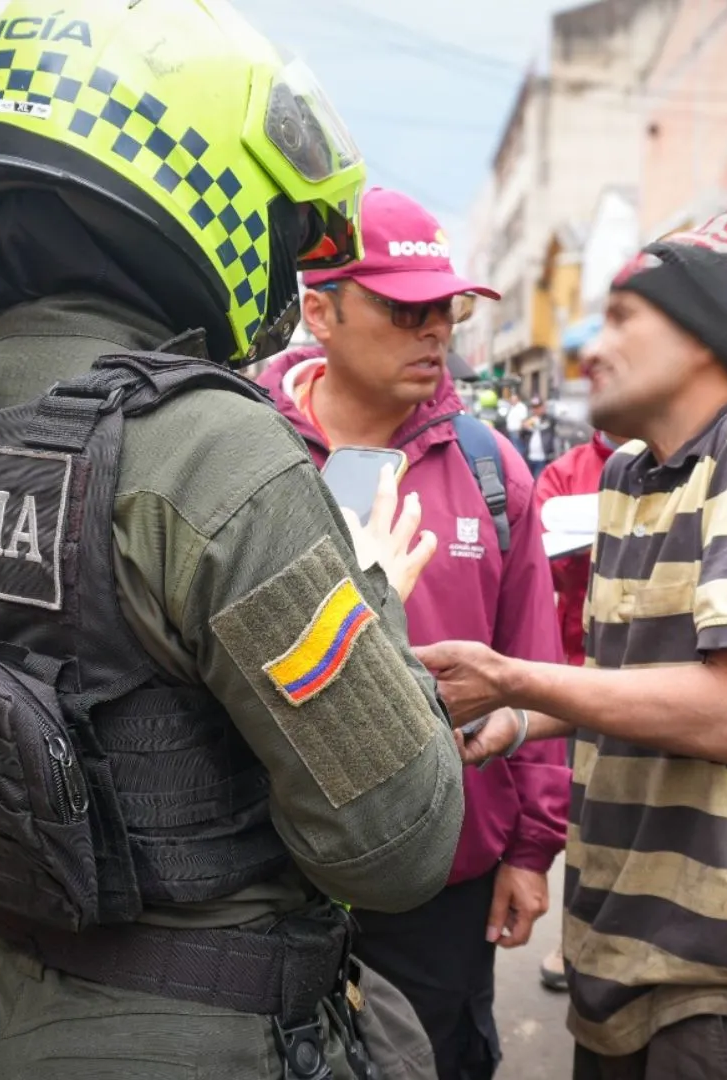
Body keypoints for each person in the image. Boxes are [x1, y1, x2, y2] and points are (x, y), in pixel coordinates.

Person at [0, 2, 467, 1076]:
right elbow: (397, 846)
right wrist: (373, 590)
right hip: (196, 1036)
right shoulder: (210, 455)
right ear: (188, 181)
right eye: (270, 216)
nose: (283, 261)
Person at [418, 172, 727, 1080]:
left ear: (707, 338)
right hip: (626, 946)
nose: (594, 345)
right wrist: (518, 722)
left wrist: (514, 678)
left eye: (627, 318)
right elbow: (634, 683)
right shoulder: (633, 474)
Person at [261, 186, 569, 1080]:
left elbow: (533, 664)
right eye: (405, 310)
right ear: (319, 312)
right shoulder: (245, 452)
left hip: (446, 877)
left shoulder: (490, 467)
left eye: (446, 309)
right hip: (275, 875)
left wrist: (532, 848)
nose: (435, 331)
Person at [527, 429, 620, 994]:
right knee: (579, 813)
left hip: (661, 677)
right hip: (579, 670)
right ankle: (573, 938)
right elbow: (541, 564)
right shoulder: (565, 472)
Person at [520, 398, 558, 479]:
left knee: (538, 479)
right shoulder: (529, 420)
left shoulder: (548, 419)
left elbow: (553, 426)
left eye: (538, 407)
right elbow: (522, 436)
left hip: (543, 457)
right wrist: (524, 428)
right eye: (534, 408)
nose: (536, 410)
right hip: (530, 457)